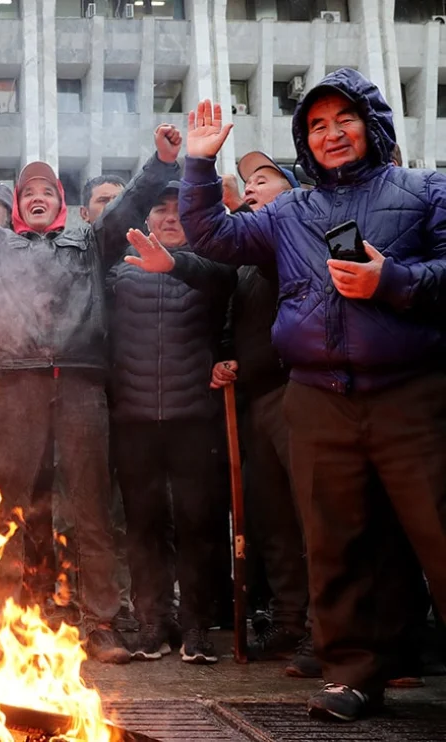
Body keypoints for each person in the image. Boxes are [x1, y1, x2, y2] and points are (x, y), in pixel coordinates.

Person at [174, 74, 446, 721]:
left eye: (343, 120)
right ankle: (351, 675)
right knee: (334, 542)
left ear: (373, 125)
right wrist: (197, 162)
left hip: (412, 396)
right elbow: (211, 234)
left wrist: (394, 281)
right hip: (317, 399)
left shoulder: (427, 190)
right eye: (317, 125)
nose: (331, 134)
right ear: (306, 140)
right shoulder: (287, 212)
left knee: (438, 535)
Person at [0, 116, 182, 665]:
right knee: (7, 506)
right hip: (20, 384)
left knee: (92, 508)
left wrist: (162, 163)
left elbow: (126, 206)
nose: (35, 196)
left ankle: (99, 622)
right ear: (18, 205)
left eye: (46, 191)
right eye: (26, 191)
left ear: (62, 204)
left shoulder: (89, 240)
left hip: (80, 385)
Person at [111, 185, 236, 665]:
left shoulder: (212, 266)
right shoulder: (120, 270)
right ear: (146, 218)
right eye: (158, 209)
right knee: (143, 524)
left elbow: (231, 313)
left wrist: (227, 359)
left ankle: (197, 625)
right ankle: (152, 621)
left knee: (197, 522)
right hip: (134, 418)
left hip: (194, 417)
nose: (168, 217)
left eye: (177, 209)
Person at [200, 152, 310, 665]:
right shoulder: (243, 261)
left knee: (318, 513)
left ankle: (336, 631)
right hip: (255, 400)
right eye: (246, 182)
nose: (250, 187)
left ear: (293, 191)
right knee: (273, 518)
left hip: (301, 391)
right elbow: (230, 319)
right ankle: (291, 621)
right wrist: (226, 357)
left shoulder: (301, 235)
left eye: (262, 180)